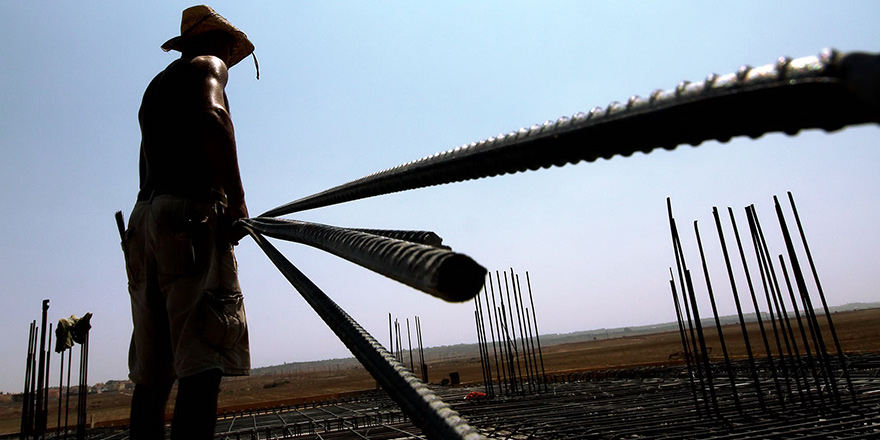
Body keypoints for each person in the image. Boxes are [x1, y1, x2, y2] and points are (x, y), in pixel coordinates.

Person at [122, 5, 255, 439]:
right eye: (227, 48)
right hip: (188, 218)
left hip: (145, 221)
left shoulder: (156, 86)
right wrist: (237, 202)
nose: (227, 57)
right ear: (215, 42)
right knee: (202, 361)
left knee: (153, 376)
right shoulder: (207, 64)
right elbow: (213, 116)